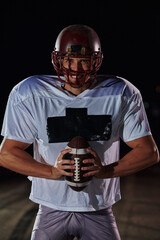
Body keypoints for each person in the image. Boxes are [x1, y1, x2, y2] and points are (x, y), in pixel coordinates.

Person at [0, 24, 159, 240]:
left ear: (97, 60)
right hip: (50, 208)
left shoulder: (121, 92)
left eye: (84, 60)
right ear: (57, 60)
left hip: (98, 209)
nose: (76, 69)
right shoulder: (29, 93)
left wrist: (105, 171)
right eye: (69, 60)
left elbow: (149, 152)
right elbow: (7, 153)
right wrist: (52, 172)